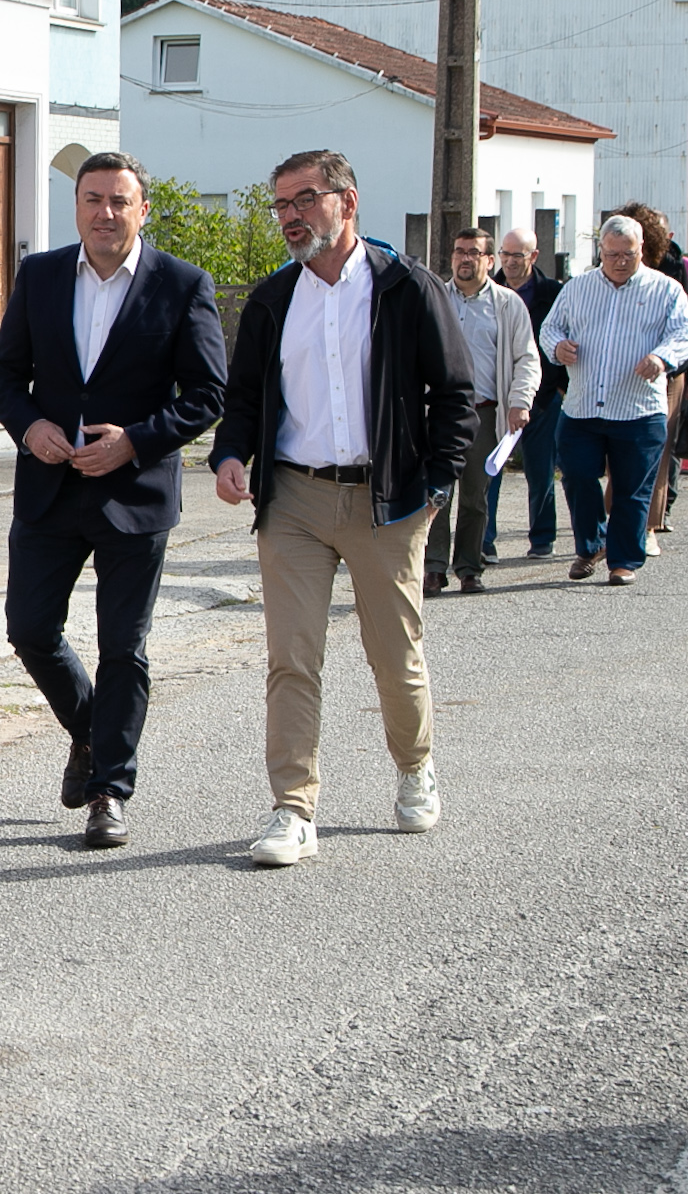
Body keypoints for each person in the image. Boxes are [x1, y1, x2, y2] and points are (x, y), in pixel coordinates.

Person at [209, 150, 475, 867]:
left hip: (387, 500)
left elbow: (455, 395)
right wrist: (230, 455)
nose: (290, 216)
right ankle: (293, 809)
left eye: (304, 199)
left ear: (346, 202)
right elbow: (245, 397)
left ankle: (415, 767)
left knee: (394, 653)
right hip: (293, 498)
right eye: (281, 205)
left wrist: (435, 488)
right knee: (292, 658)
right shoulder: (273, 299)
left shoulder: (407, 288)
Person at [0, 151, 227, 849]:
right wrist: (30, 428)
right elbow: (4, 374)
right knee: (30, 629)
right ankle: (90, 732)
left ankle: (109, 791)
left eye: (120, 201)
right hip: (50, 489)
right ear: (77, 207)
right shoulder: (41, 275)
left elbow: (208, 393)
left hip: (134, 495)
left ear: (142, 210)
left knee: (124, 645)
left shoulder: (182, 284)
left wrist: (136, 442)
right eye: (93, 199)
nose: (105, 213)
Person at [539, 215, 688, 587]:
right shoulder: (578, 288)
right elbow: (550, 328)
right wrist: (557, 347)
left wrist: (662, 357)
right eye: (612, 254)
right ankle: (592, 544)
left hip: (639, 409)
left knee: (631, 489)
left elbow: (686, 334)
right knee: (576, 474)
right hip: (583, 407)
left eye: (629, 254)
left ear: (641, 250)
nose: (620, 261)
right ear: (600, 251)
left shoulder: (665, 289)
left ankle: (623, 560)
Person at [424, 228, 538, 596]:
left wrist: (520, 401)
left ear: (489, 260)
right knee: (436, 493)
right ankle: (433, 568)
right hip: (440, 413)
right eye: (459, 251)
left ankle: (469, 567)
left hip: (484, 413)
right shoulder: (435, 298)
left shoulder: (507, 305)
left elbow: (527, 358)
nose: (465, 259)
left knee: (476, 497)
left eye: (474, 252)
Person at [607, 203, 688, 551]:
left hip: (667, 373)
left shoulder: (679, 270)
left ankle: (648, 527)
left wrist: (686, 357)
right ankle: (617, 518)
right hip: (618, 370)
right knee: (617, 449)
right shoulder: (609, 270)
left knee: (655, 450)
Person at [482, 227, 566, 560]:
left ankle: (542, 537)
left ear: (533, 256)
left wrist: (557, 386)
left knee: (540, 470)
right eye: (505, 254)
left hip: (542, 397)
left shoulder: (552, 293)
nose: (510, 261)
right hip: (497, 397)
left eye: (518, 255)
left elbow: (563, 336)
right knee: (489, 471)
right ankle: (484, 541)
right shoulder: (489, 292)